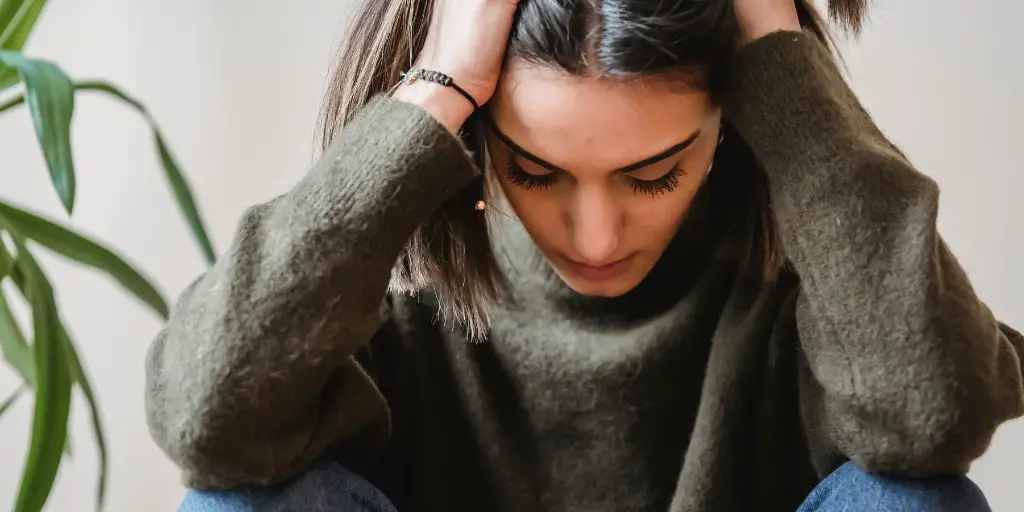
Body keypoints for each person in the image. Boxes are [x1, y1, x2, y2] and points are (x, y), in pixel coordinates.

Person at [146, 0, 1024, 510]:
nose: (594, 238)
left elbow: (931, 416)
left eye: (653, 175)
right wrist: (439, 81)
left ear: (726, 128)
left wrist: (782, 59)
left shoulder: (824, 299)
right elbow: (208, 421)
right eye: (536, 170)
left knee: (915, 498)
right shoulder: (382, 295)